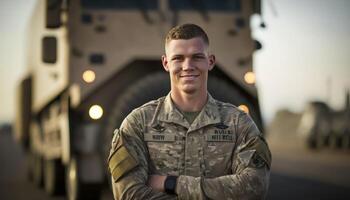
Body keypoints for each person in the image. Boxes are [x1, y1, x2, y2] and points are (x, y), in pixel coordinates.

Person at [107, 23, 271, 200]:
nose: (188, 66)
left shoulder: (239, 124)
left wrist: (171, 183)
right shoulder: (138, 123)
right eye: (178, 58)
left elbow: (255, 187)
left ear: (210, 61)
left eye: (197, 57)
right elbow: (128, 194)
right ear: (166, 63)